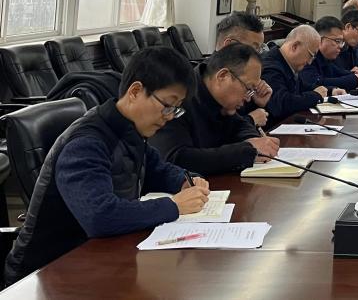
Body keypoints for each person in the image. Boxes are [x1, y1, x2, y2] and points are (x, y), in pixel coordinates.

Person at [5, 47, 212, 285]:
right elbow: (100, 216)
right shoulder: (87, 143)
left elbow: (157, 169)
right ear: (135, 91)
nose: (169, 116)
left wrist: (185, 180)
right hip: (46, 275)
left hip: (98, 259)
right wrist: (174, 206)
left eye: (176, 109)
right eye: (167, 105)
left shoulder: (128, 128)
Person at [150, 44, 281, 175]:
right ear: (223, 76)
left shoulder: (219, 99)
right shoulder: (178, 96)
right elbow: (175, 159)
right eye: (248, 88)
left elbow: (239, 125)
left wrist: (254, 141)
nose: (248, 98)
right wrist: (244, 151)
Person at [214, 12, 273, 128]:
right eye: (253, 48)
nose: (257, 56)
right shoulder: (206, 80)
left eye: (259, 49)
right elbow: (215, 132)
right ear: (229, 45)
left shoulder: (243, 74)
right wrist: (250, 120)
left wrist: (259, 103)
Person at [261, 25, 327, 125]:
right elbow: (282, 103)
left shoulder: (286, 62)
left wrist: (329, 90)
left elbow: (302, 87)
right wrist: (315, 95)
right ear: (295, 46)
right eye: (311, 55)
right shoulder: (271, 68)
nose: (310, 62)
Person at [300, 15, 358, 96]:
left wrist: (356, 75)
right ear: (319, 39)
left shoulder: (325, 58)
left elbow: (337, 72)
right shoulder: (307, 56)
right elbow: (315, 82)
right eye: (337, 41)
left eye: (341, 42)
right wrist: (354, 80)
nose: (340, 46)